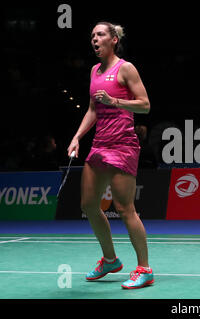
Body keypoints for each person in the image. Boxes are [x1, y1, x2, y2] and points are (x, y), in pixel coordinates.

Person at [67, 21, 154, 289]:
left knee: (125, 209)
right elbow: (93, 109)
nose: (95, 39)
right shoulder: (94, 71)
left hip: (123, 144)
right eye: (92, 35)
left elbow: (145, 105)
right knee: (89, 205)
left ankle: (145, 269)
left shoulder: (125, 68)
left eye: (101, 34)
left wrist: (115, 101)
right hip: (99, 144)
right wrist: (77, 137)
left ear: (114, 39)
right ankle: (110, 259)